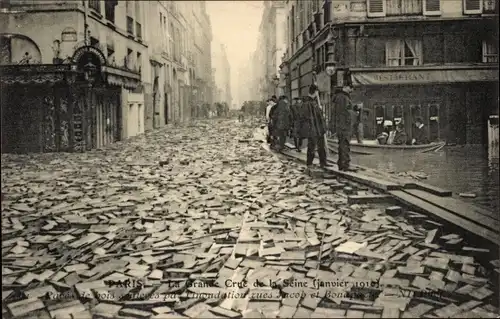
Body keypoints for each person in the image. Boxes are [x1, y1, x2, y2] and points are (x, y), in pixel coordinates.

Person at [331, 78, 355, 171]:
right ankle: (344, 164)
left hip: (341, 124)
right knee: (345, 145)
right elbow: (344, 112)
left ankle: (342, 164)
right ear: (346, 87)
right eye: (351, 88)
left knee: (342, 144)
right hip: (344, 125)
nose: (352, 90)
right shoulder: (343, 98)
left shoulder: (340, 97)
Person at [303, 85, 329, 169]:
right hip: (313, 128)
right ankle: (309, 163)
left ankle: (323, 162)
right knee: (312, 146)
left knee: (321, 145)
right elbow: (308, 117)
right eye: (317, 92)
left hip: (318, 128)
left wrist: (320, 111)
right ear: (315, 92)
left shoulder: (314, 103)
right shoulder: (307, 103)